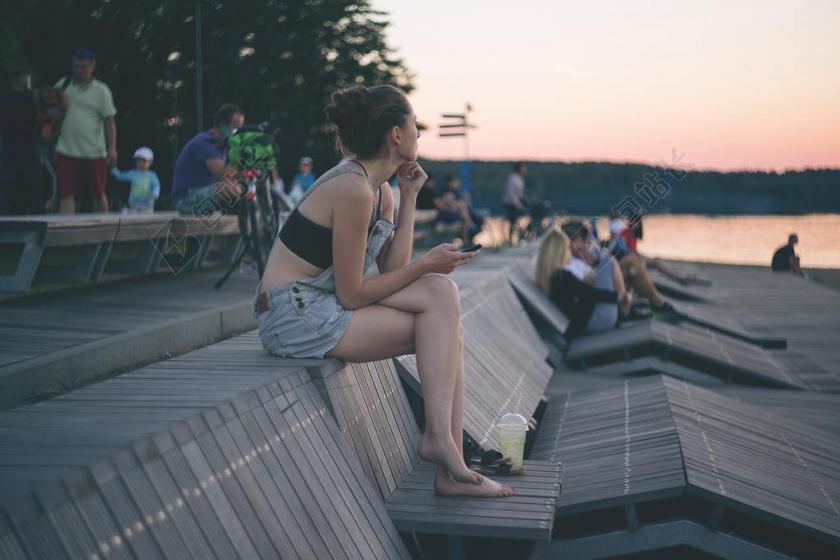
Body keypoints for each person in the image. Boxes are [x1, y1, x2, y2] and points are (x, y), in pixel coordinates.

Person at [256, 84, 513, 498]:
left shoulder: (383, 191)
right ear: (396, 134)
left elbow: (394, 268)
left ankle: (445, 451)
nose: (418, 133)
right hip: (291, 313)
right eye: (414, 125)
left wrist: (409, 197)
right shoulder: (352, 188)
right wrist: (427, 263)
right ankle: (445, 451)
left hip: (321, 300)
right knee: (441, 323)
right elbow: (353, 294)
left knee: (442, 298)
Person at [536, 224, 633, 337]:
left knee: (606, 262)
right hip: (597, 322)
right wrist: (622, 298)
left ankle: (625, 309)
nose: (569, 251)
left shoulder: (550, 276)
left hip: (588, 322)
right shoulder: (562, 276)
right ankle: (626, 311)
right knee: (608, 261)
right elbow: (591, 293)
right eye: (567, 247)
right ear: (561, 251)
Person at [54, 49, 118, 214]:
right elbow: (48, 113)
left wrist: (112, 148)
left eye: (83, 67)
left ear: (92, 66)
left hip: (94, 152)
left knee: (98, 193)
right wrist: (55, 112)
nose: (79, 70)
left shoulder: (101, 90)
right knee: (66, 194)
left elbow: (109, 122)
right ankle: (67, 236)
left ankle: (104, 234)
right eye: (76, 66)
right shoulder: (63, 85)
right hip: (66, 150)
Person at [171, 103, 245, 214]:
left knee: (241, 188)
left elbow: (230, 178)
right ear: (222, 125)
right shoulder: (205, 143)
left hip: (200, 196)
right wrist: (240, 155)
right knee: (230, 189)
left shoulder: (222, 146)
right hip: (185, 200)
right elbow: (223, 174)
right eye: (235, 128)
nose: (237, 133)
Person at [0, 69, 41, 215]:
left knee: (11, 185)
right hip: (25, 147)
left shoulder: (4, 97)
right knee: (27, 184)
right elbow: (37, 120)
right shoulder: (29, 99)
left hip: (9, 147)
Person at [109, 147, 160, 213]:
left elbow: (156, 185)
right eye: (138, 161)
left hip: (148, 205)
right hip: (134, 204)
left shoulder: (152, 175)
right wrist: (113, 168)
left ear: (150, 161)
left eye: (143, 161)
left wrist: (155, 193)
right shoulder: (133, 173)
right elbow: (121, 176)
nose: (140, 163)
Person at [503, 162, 527, 242]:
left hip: (516, 202)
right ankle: (511, 240)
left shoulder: (520, 178)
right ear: (519, 169)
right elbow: (511, 194)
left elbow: (519, 194)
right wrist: (518, 205)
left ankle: (517, 238)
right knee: (512, 221)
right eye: (523, 168)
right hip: (510, 203)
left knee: (515, 221)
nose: (524, 170)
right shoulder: (513, 178)